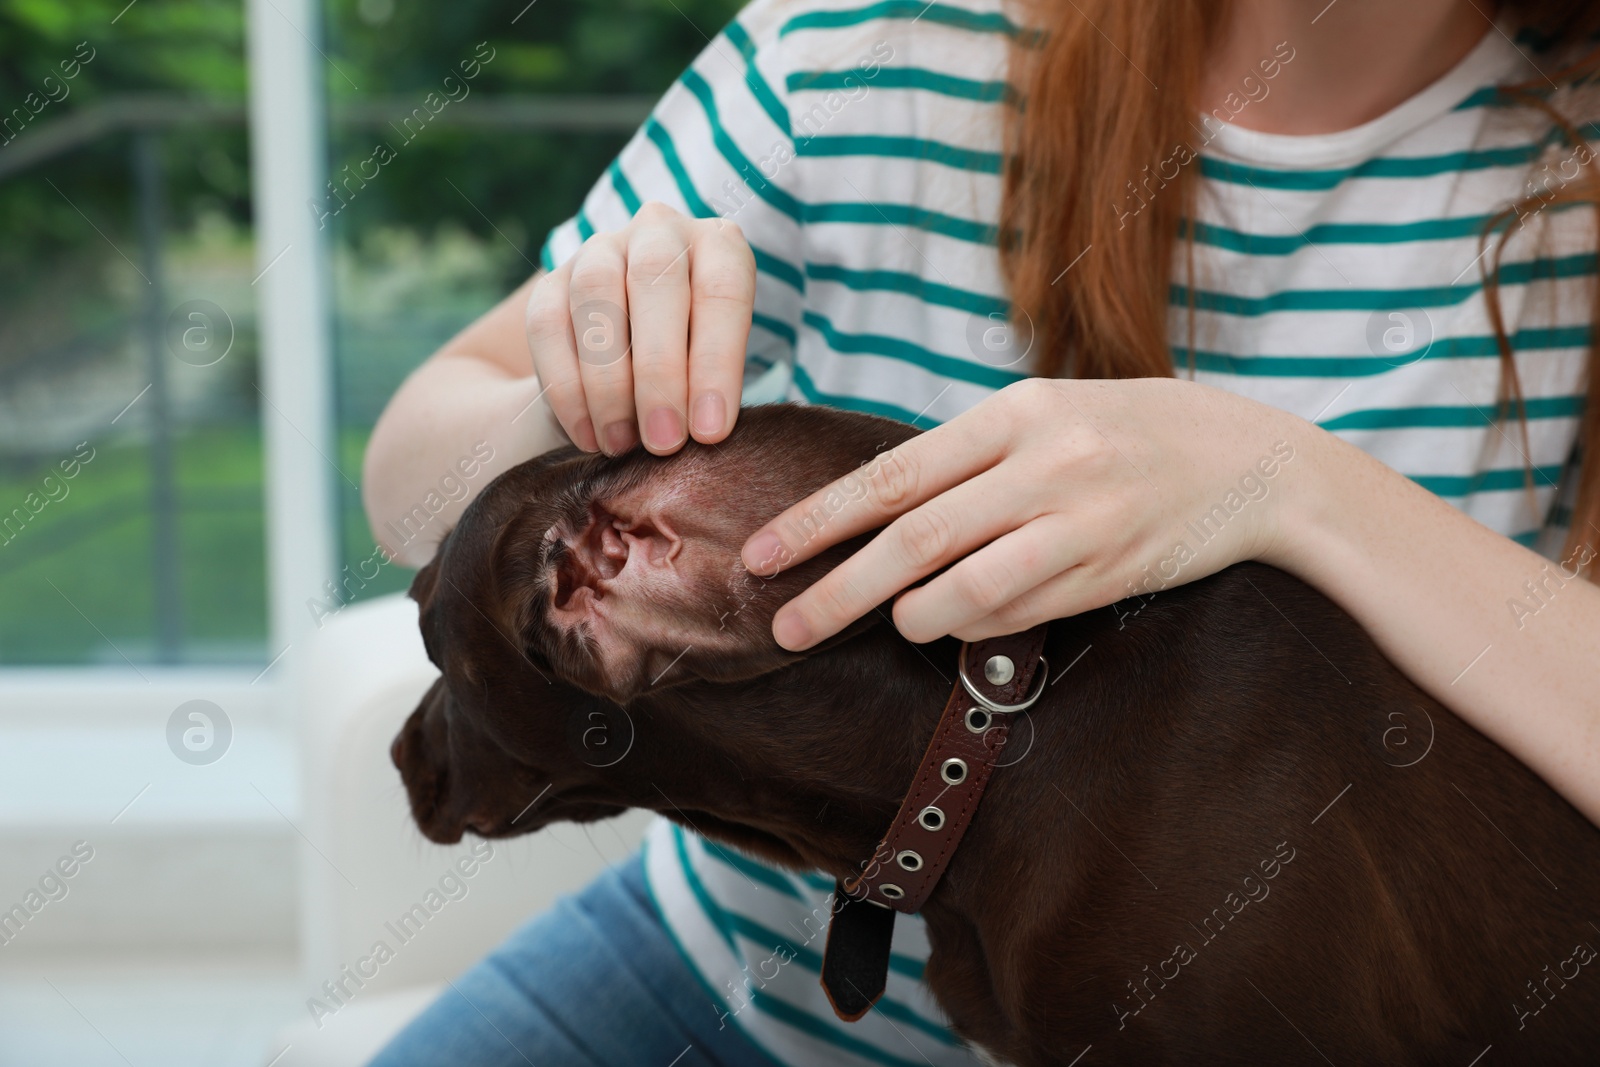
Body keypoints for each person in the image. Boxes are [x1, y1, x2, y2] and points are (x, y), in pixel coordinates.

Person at [363, 0, 1600, 1062]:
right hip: (725, 979)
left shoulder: (1572, 163)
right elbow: (404, 487)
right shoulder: (864, 45)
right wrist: (569, 400)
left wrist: (1287, 480)